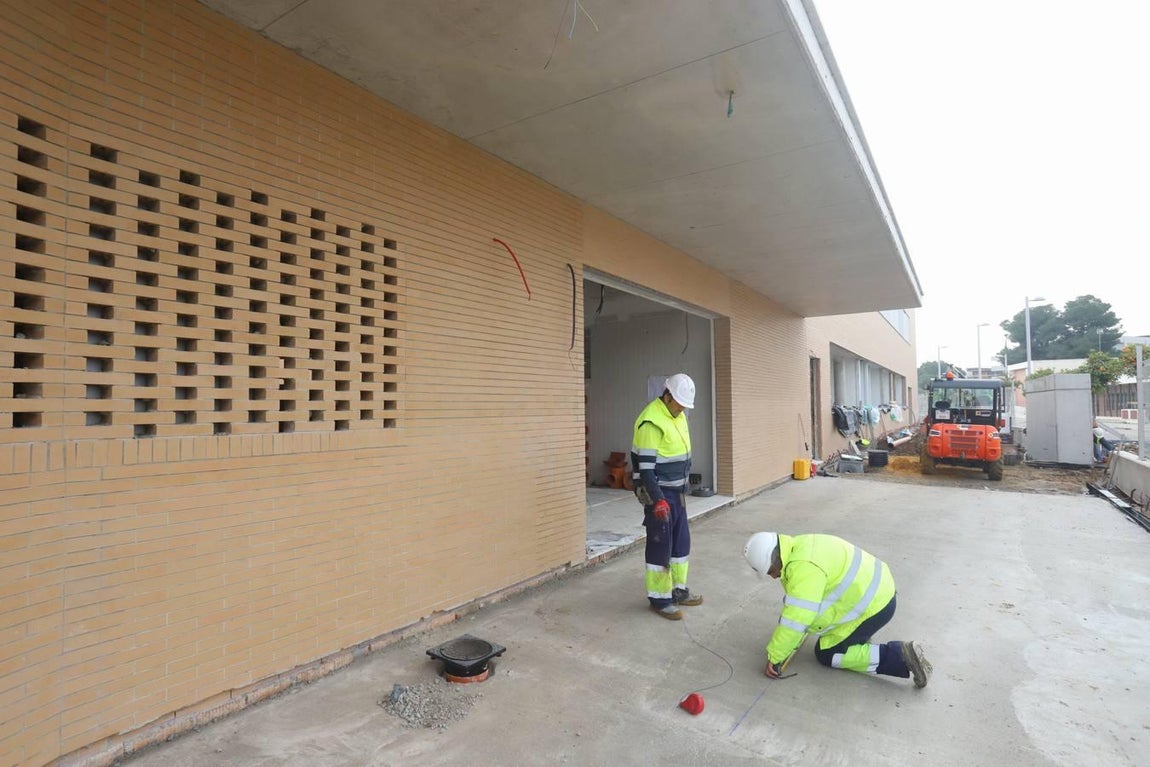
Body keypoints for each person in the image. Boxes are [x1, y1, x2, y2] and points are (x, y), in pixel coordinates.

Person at [742, 531, 932, 687]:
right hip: (880, 588)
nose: (773, 577)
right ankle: (858, 638)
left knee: (828, 654)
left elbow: (796, 618)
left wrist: (775, 657)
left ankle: (901, 656)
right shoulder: (800, 546)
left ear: (774, 561)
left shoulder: (804, 569)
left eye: (769, 572)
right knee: (824, 633)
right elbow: (806, 603)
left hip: (875, 607)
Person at [631, 373, 702, 620]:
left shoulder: (677, 415)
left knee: (681, 542)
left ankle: (678, 590)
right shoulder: (651, 421)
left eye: (685, 405)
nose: (682, 408)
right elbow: (646, 469)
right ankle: (660, 600)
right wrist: (658, 500)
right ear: (667, 395)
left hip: (677, 491)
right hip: (659, 492)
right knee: (661, 543)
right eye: (679, 402)